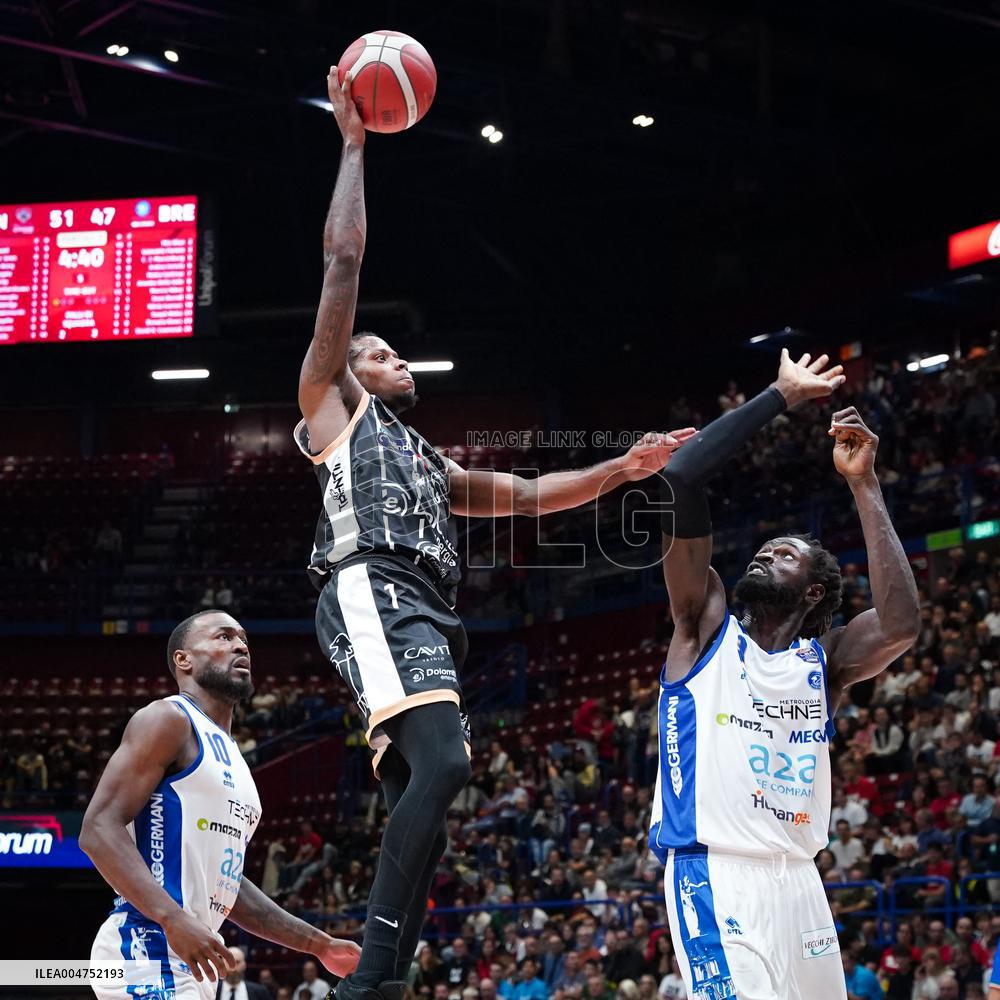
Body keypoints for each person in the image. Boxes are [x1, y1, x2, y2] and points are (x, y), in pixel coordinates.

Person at [296, 67, 695, 1000]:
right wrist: (355, 147)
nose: (398, 360)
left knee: (421, 805)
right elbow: (343, 267)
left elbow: (519, 496)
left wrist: (619, 471)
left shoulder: (426, 460)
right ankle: (373, 978)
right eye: (382, 352)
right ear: (351, 367)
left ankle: (384, 978)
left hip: (426, 610)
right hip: (372, 586)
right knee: (445, 762)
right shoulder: (333, 408)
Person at [650, 351, 920, 1000]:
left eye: (788, 553)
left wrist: (864, 485)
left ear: (814, 593)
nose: (769, 550)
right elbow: (681, 474)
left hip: (801, 883)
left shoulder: (822, 664)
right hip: (715, 873)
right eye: (769, 548)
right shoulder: (702, 626)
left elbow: (902, 624)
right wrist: (780, 396)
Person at [82, 610, 360, 999]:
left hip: (196, 957)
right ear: (184, 659)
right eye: (223, 637)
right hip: (146, 946)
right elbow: (97, 829)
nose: (241, 646)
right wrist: (171, 917)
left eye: (243, 639)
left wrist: (318, 945)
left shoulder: (235, 760)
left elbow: (227, 887)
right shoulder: (168, 719)